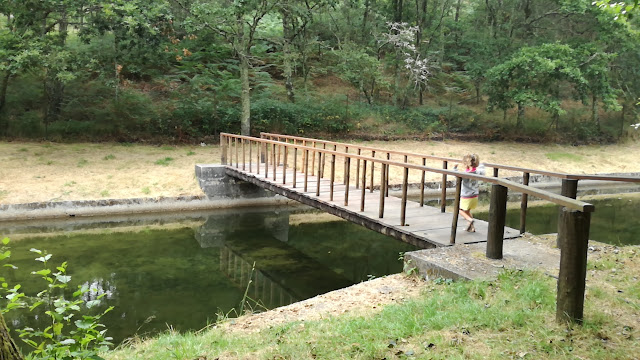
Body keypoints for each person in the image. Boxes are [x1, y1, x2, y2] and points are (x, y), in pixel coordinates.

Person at [454, 153, 485, 232]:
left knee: (459, 209)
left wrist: (455, 168)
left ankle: (469, 220)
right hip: (475, 195)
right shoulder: (478, 172)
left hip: (466, 196)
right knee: (467, 211)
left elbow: (456, 175)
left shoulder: (465, 174)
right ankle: (472, 227)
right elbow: (482, 169)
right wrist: (481, 164)